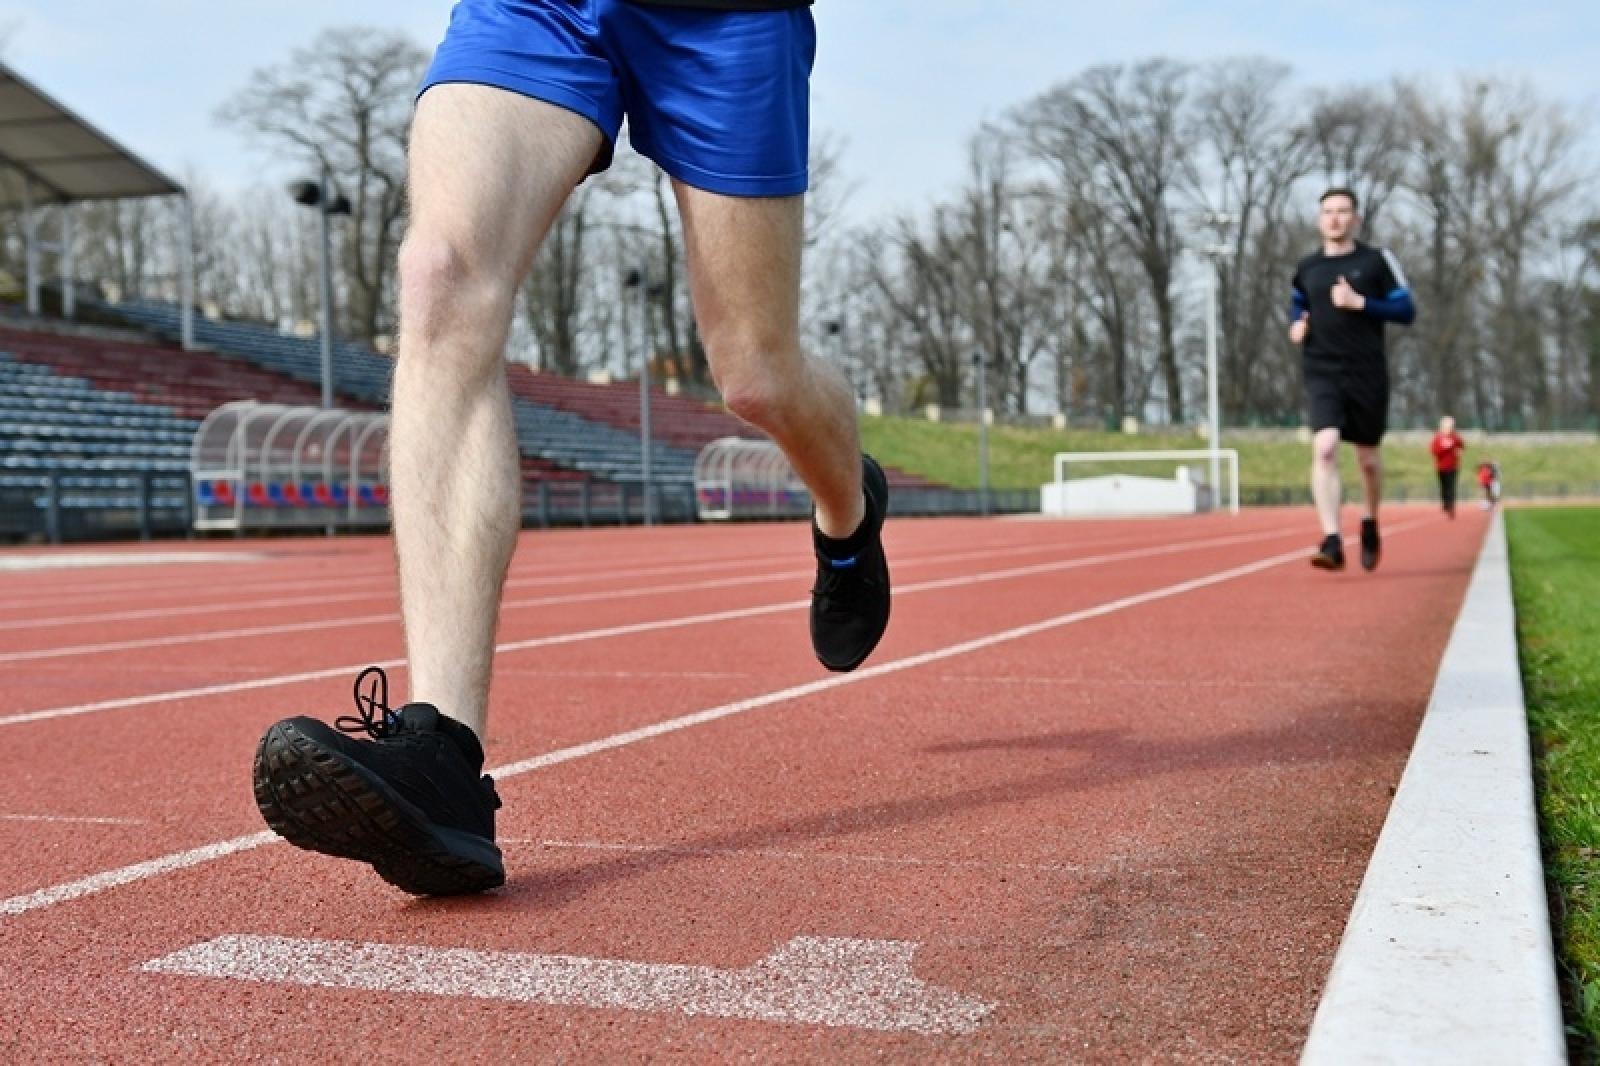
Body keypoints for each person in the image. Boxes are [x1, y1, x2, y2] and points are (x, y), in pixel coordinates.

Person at [250, 0, 893, 896]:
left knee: (756, 375)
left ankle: (848, 514)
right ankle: (442, 755)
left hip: (724, 18)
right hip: (539, 8)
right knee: (440, 278)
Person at [1288, 187, 1416, 571]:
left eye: (1343, 211)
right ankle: (1331, 540)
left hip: (1366, 370)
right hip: (1321, 368)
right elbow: (1298, 303)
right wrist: (1296, 325)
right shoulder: (1308, 267)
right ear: (1319, 220)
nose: (1335, 218)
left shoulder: (1376, 261)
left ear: (1356, 218)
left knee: (1368, 460)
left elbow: (1406, 309)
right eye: (1328, 211)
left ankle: (1370, 521)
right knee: (1325, 447)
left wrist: (1360, 303)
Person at [1429, 415, 1466, 518]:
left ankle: (1451, 506)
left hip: (1453, 466)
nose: (1448, 428)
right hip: (1441, 467)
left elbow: (1461, 446)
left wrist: (1459, 452)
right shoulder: (1438, 437)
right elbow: (1433, 450)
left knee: (1451, 486)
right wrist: (1445, 448)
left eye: (1450, 426)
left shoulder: (1455, 437)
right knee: (1443, 486)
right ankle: (1445, 504)